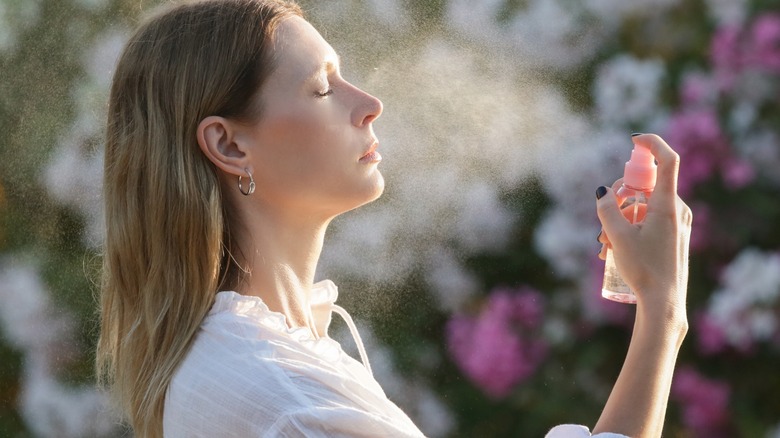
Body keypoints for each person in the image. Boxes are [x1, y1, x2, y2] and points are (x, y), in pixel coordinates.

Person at [95, 0, 692, 437]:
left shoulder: (256, 362)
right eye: (323, 87)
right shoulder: (292, 400)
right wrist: (662, 310)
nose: (370, 103)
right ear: (228, 146)